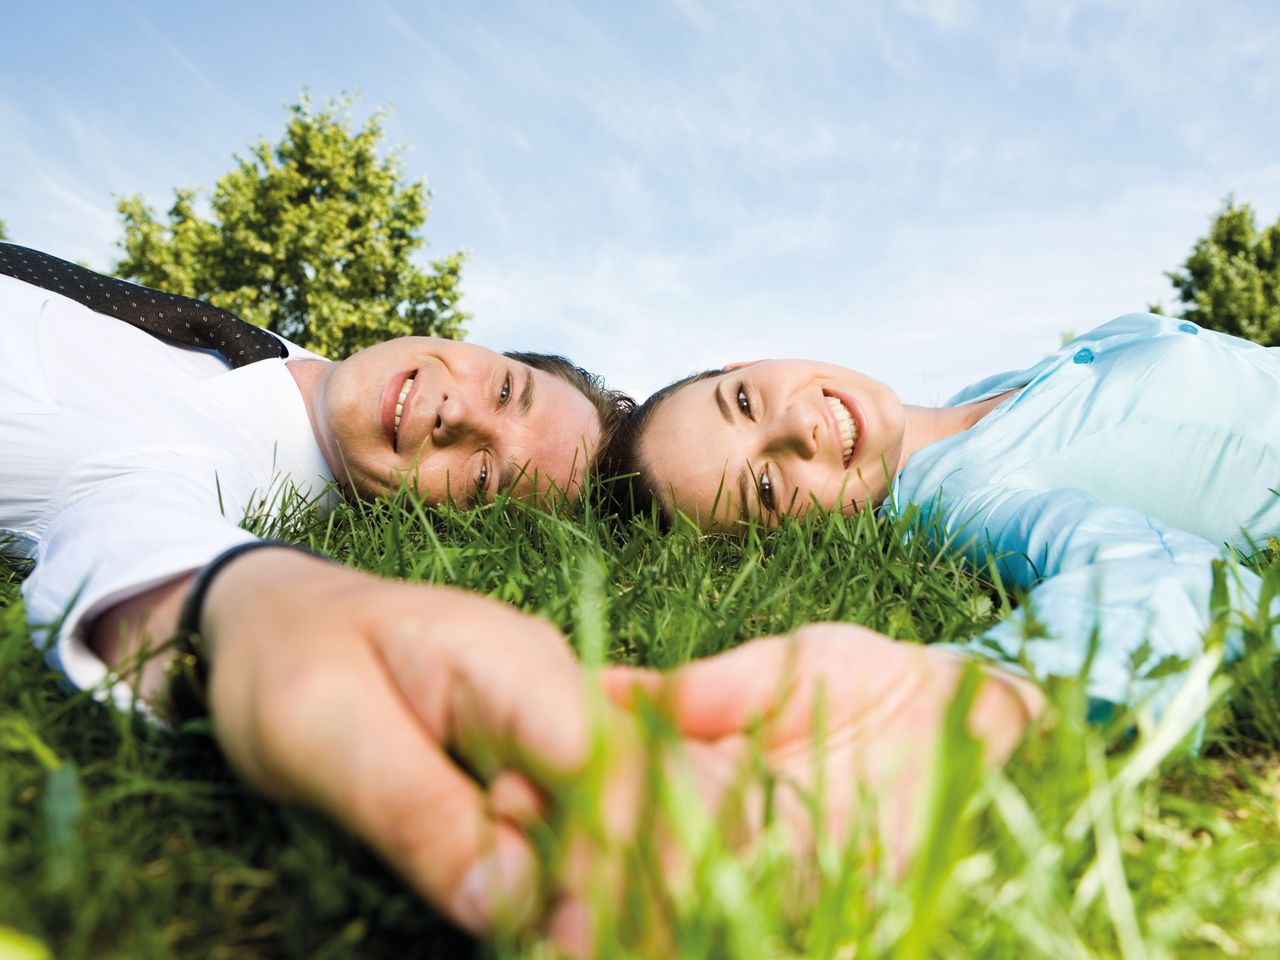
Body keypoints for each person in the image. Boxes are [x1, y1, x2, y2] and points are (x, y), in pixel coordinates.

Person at [0, 246, 1043, 950]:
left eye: (486, 475)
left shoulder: (226, 469)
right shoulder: (262, 353)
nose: (458, 414)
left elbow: (131, 536)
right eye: (504, 391)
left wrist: (252, 600)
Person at [603, 312, 1280, 728]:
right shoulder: (967, 498)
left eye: (745, 400)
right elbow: (1161, 580)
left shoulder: (976, 398)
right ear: (793, 536)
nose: (801, 426)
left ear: (745, 362)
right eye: (769, 487)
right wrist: (970, 701)